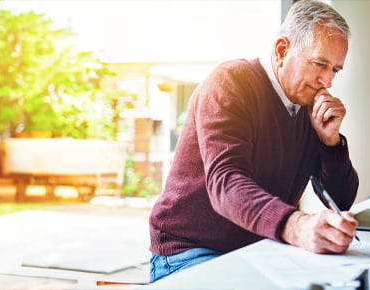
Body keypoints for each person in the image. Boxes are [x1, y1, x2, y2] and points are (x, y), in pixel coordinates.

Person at [149, 0, 359, 283]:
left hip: (261, 247)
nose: (328, 81)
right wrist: (296, 225)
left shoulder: (308, 106)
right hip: (192, 250)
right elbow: (226, 183)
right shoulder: (231, 82)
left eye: (335, 69)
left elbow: (341, 200)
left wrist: (330, 142)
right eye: (320, 64)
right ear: (282, 50)